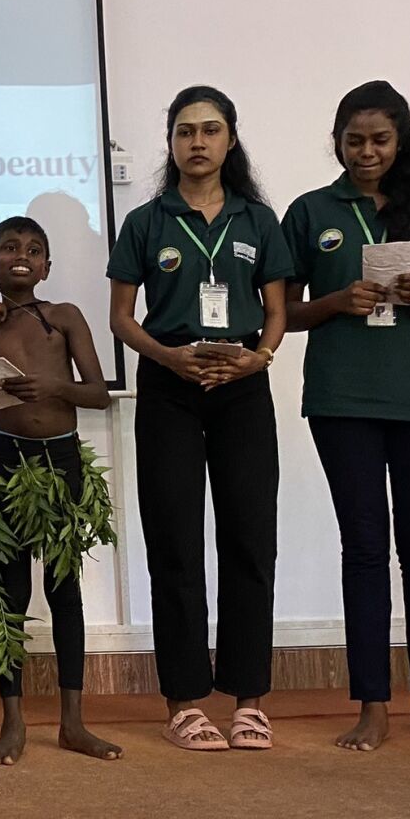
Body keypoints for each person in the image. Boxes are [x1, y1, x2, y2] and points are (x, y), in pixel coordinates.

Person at [282, 81, 410, 751]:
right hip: (342, 400)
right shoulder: (310, 212)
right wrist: (336, 300)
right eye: (353, 139)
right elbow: (278, 315)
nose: (366, 152)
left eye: (379, 139)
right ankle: (371, 702)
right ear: (336, 140)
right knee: (364, 550)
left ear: (400, 141)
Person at [107, 85, 291, 753]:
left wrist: (258, 358)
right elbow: (121, 318)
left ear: (230, 139)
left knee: (248, 539)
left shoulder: (256, 220)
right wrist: (170, 358)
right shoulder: (147, 222)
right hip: (169, 387)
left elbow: (274, 309)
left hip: (242, 386)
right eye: (184, 131)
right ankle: (184, 701)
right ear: (171, 142)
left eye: (210, 130)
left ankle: (248, 700)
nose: (197, 142)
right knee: (175, 544)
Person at [0, 216, 120, 765]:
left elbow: (98, 394)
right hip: (7, 463)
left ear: (47, 267)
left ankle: (73, 722)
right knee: (9, 592)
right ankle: (13, 721)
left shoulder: (65, 317)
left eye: (34, 249)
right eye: (9, 248)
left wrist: (55, 386)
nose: (22, 255)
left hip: (61, 461)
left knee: (65, 591)